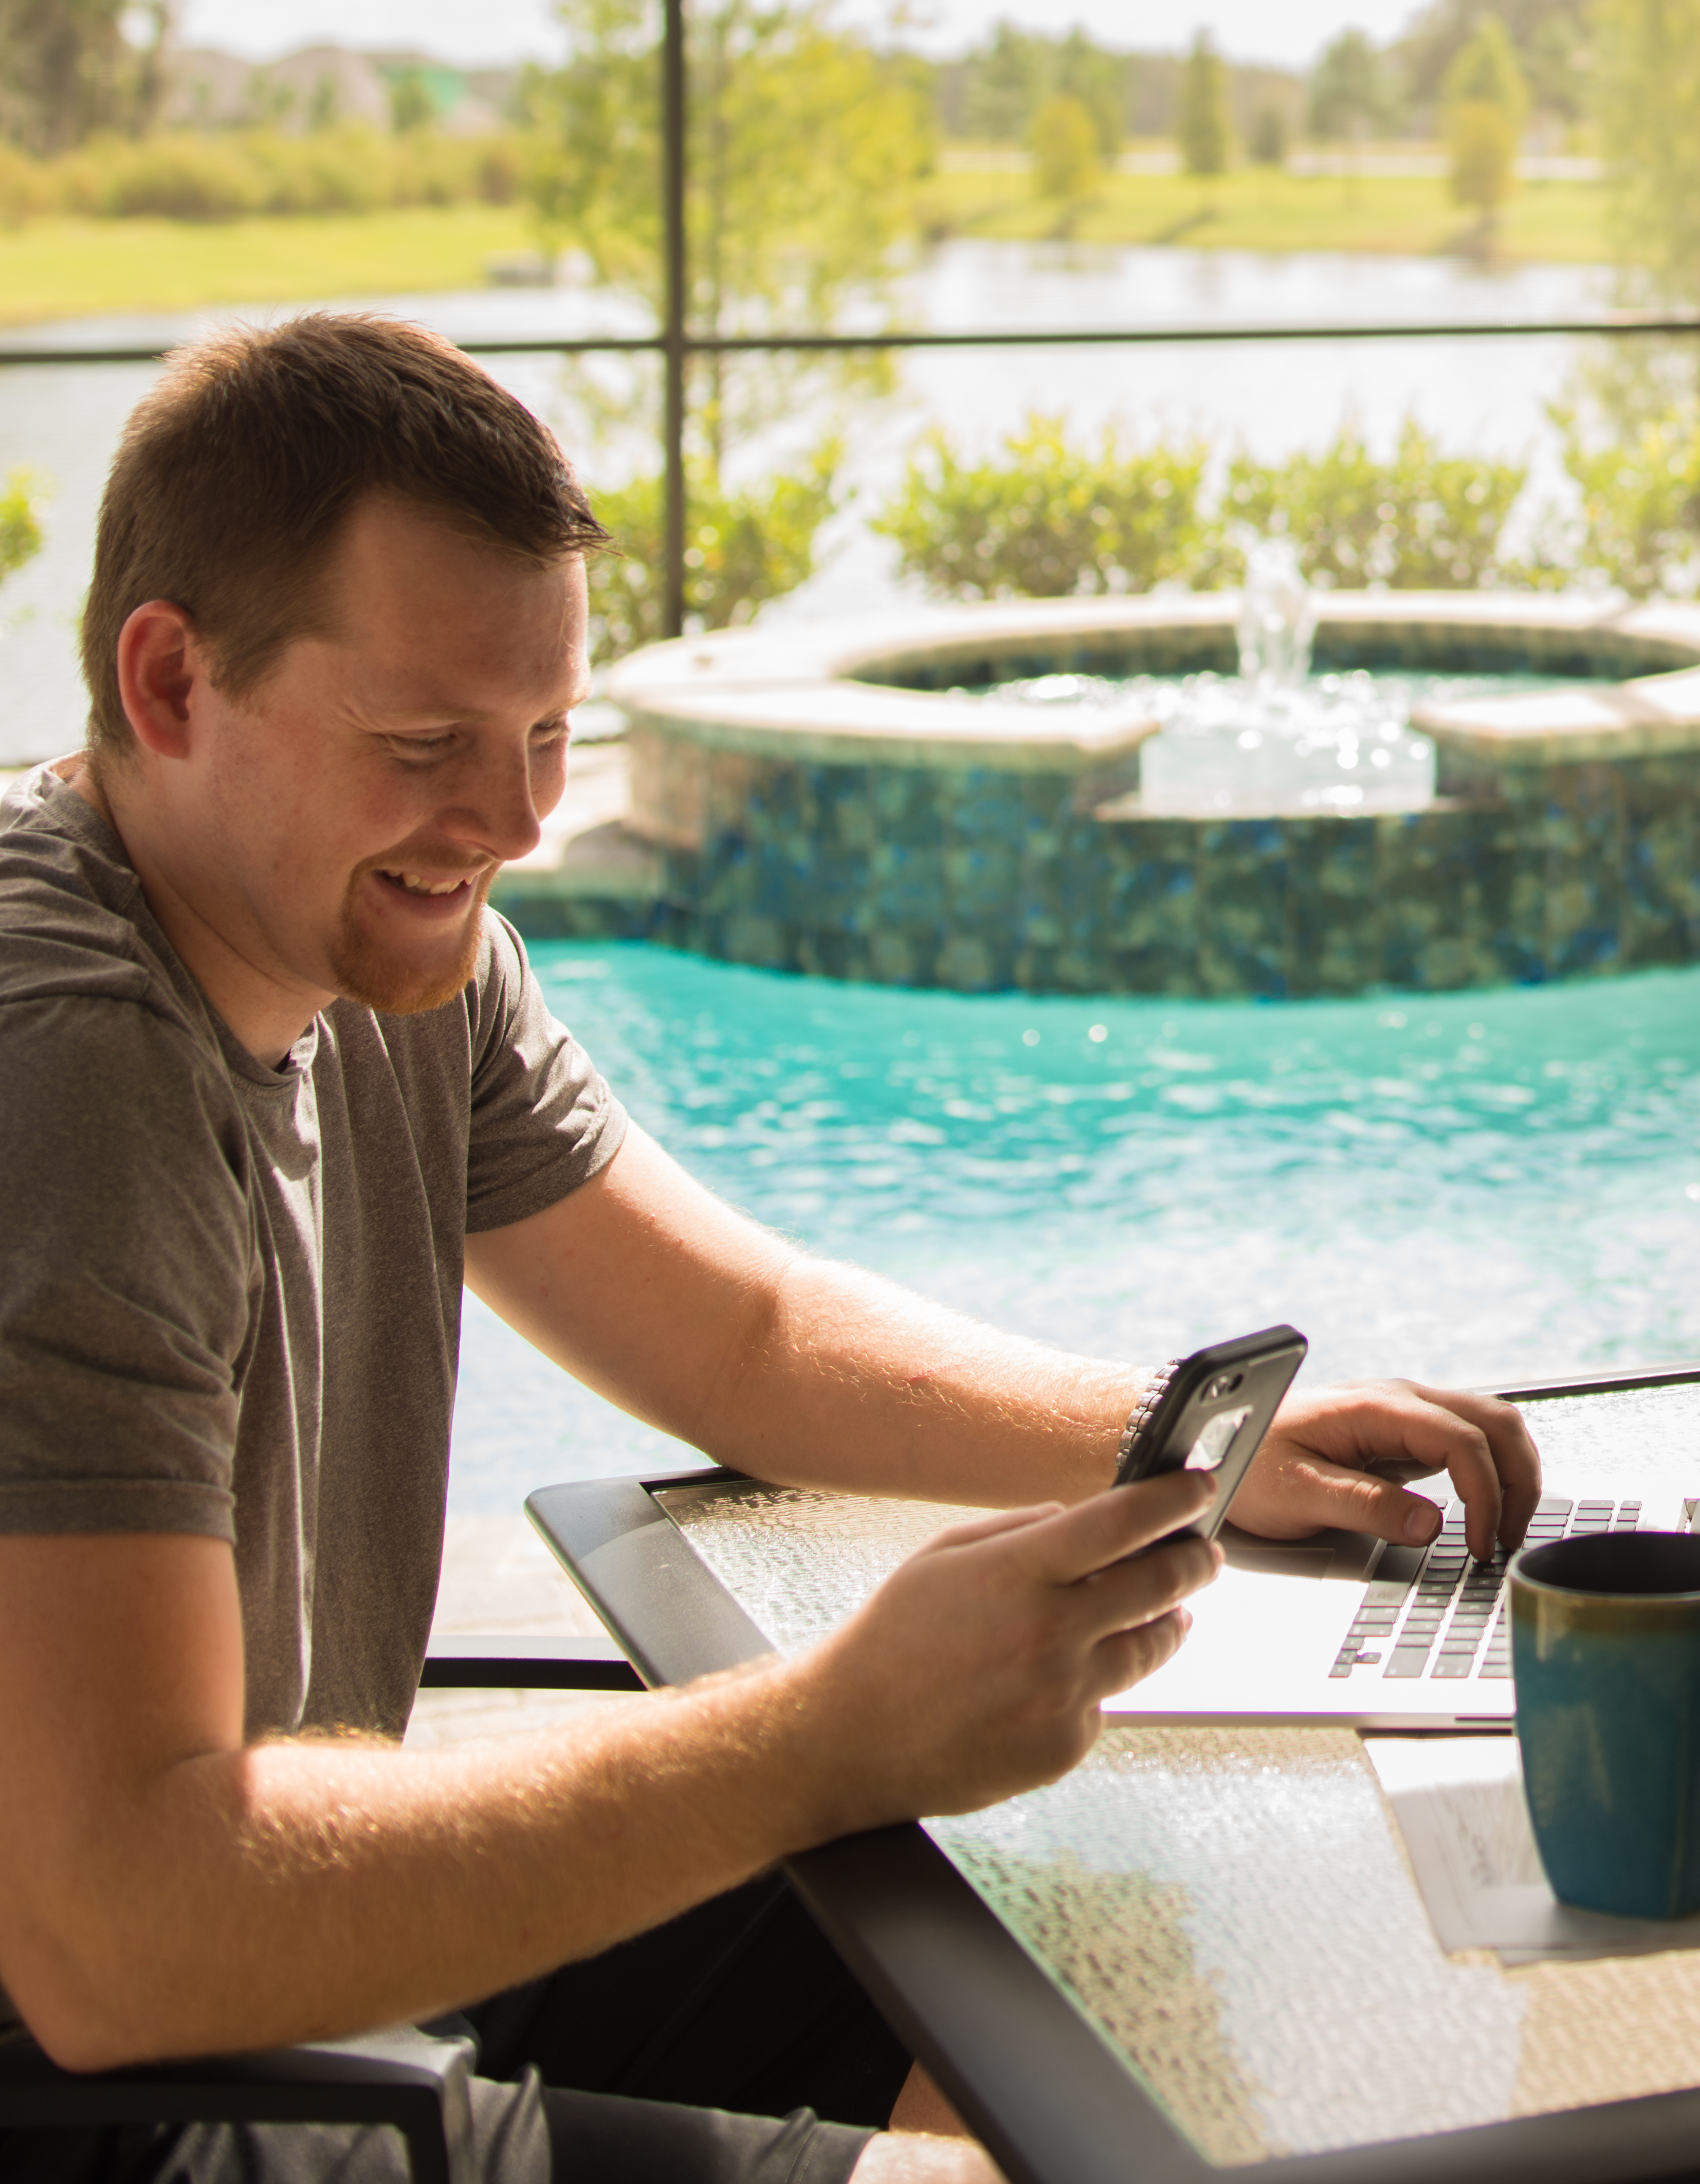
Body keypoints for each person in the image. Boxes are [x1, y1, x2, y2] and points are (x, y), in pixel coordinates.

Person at [0, 314, 1550, 2183]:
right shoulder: (69, 1064)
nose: (516, 821)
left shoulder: (402, 965)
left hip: (287, 1960)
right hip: (126, 2096)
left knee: (1068, 1961)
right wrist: (826, 1733)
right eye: (427, 744)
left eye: (552, 732)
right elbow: (112, 1936)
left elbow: (741, 1332)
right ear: (168, 682)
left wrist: (1184, 1446)